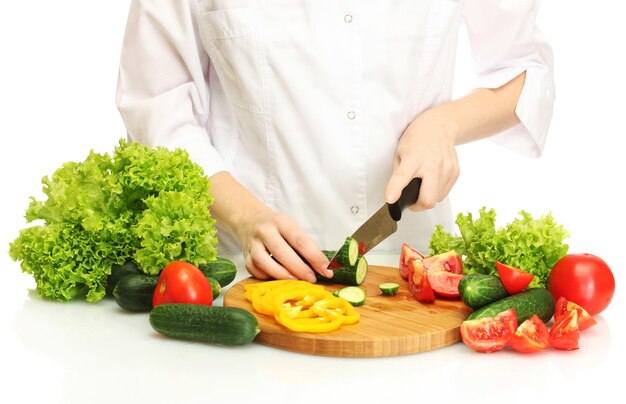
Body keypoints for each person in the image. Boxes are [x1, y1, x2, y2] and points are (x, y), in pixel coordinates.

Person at [116, 0, 554, 283]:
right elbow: (157, 105)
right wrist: (247, 217)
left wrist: (444, 124)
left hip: (412, 276)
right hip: (248, 275)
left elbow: (526, 68)